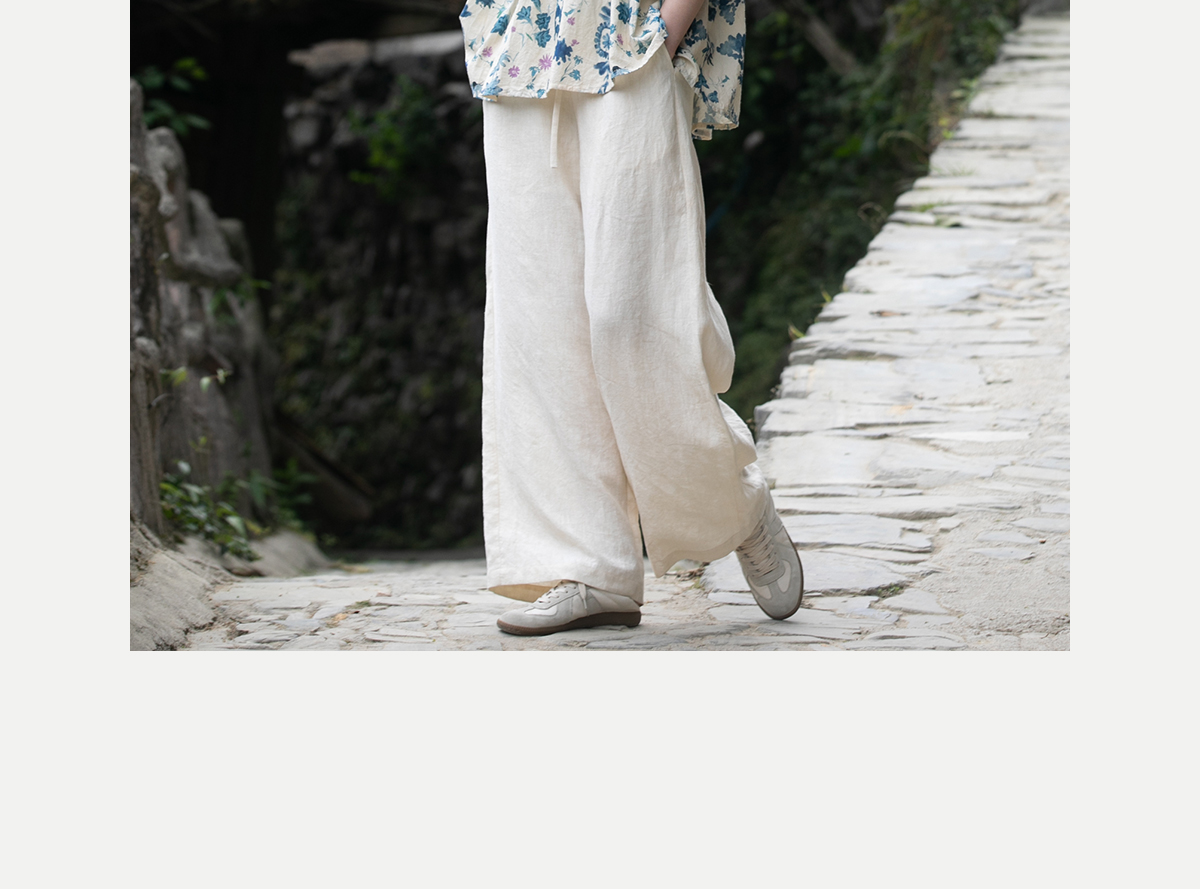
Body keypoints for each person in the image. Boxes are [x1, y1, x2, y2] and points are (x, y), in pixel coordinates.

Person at [458, 0, 803, 636]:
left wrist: (666, 32)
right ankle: (588, 569)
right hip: (519, 46)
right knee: (542, 323)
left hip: (630, 38)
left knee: (635, 312)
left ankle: (736, 502)